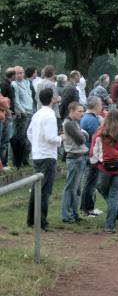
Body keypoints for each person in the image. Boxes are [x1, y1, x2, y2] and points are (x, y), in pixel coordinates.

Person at [26, 88, 65, 231]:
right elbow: (50, 138)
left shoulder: (37, 114)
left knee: (37, 188)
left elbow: (29, 132)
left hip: (37, 154)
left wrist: (36, 144)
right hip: (47, 155)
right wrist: (61, 137)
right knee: (44, 190)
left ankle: (32, 219)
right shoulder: (50, 115)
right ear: (52, 99)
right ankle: (41, 221)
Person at [90, 109, 118, 233]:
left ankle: (111, 224)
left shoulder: (100, 133)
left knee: (105, 191)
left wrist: (95, 162)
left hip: (104, 167)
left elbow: (93, 152)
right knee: (113, 195)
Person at [61, 102, 89, 223]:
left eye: (83, 111)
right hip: (74, 158)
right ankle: (67, 215)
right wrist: (83, 134)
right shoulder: (69, 124)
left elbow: (85, 136)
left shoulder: (75, 123)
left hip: (80, 157)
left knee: (77, 189)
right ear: (71, 111)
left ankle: (74, 213)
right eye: (79, 111)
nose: (82, 114)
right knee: (70, 188)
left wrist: (83, 134)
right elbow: (82, 139)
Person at [80, 97, 103, 217]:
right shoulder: (92, 120)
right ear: (96, 106)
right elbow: (97, 138)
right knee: (91, 182)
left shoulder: (86, 118)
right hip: (91, 154)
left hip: (88, 153)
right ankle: (88, 208)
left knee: (89, 181)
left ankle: (87, 207)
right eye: (100, 105)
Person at [11, 66, 34, 169]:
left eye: (21, 72)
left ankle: (24, 159)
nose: (19, 75)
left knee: (26, 138)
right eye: (17, 73)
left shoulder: (26, 82)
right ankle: (17, 161)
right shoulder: (14, 84)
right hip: (22, 114)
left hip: (29, 112)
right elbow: (16, 100)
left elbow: (29, 96)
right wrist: (23, 111)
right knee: (19, 138)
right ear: (14, 74)